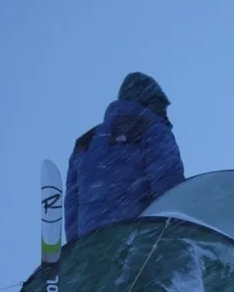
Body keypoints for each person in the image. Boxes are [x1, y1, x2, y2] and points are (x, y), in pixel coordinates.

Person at [64, 72, 185, 244]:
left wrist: (75, 254)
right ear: (147, 101)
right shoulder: (153, 129)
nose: (165, 117)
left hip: (91, 247)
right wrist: (179, 234)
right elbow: (169, 186)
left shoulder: (85, 143)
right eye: (160, 107)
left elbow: (72, 210)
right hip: (140, 242)